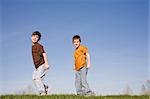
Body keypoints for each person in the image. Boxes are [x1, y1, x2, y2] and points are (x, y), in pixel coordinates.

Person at [31, 31, 49, 95]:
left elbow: (44, 54)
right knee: (34, 78)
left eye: (36, 37)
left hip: (42, 64)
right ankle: (45, 87)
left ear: (38, 39)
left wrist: (46, 63)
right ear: (31, 37)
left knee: (38, 77)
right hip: (37, 66)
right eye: (33, 36)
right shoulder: (33, 46)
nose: (34, 38)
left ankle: (42, 92)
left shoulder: (39, 46)